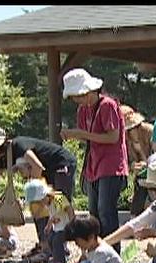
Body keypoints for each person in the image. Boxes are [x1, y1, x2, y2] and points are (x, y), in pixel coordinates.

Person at [60, 68, 129, 253]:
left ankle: (113, 253)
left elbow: (113, 137)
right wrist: (74, 135)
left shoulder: (107, 105)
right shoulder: (83, 110)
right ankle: (96, 251)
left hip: (111, 165)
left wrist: (81, 133)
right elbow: (90, 137)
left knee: (106, 211)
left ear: (88, 91)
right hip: (94, 165)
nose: (77, 101)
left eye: (78, 96)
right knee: (94, 213)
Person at [24, 179, 75, 263]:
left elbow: (69, 209)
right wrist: (48, 226)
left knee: (57, 240)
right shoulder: (48, 204)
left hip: (66, 227)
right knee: (50, 238)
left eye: (40, 201)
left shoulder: (58, 197)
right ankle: (55, 257)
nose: (41, 204)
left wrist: (72, 224)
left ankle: (60, 262)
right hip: (58, 228)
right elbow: (52, 216)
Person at [121, 105, 154, 216]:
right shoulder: (124, 140)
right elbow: (125, 161)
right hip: (140, 175)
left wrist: (147, 162)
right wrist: (132, 165)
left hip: (154, 170)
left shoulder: (150, 131)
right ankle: (135, 215)